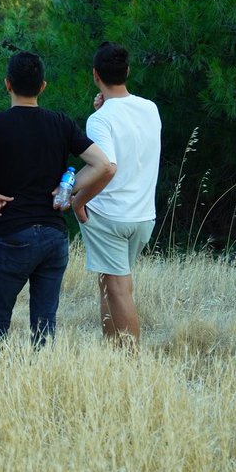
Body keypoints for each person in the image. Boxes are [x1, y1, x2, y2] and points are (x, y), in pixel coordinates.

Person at [0, 51, 114, 346]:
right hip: (53, 234)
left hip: (13, 232)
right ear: (43, 86)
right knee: (44, 323)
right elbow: (103, 164)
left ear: (7, 84)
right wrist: (69, 188)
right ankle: (38, 381)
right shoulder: (60, 123)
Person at [80, 42, 161, 349]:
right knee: (110, 283)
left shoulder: (100, 119)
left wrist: (78, 200)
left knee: (117, 288)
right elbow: (132, 142)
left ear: (95, 75)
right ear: (126, 72)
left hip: (110, 214)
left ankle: (129, 361)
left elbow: (107, 168)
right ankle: (113, 351)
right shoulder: (150, 108)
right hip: (143, 215)